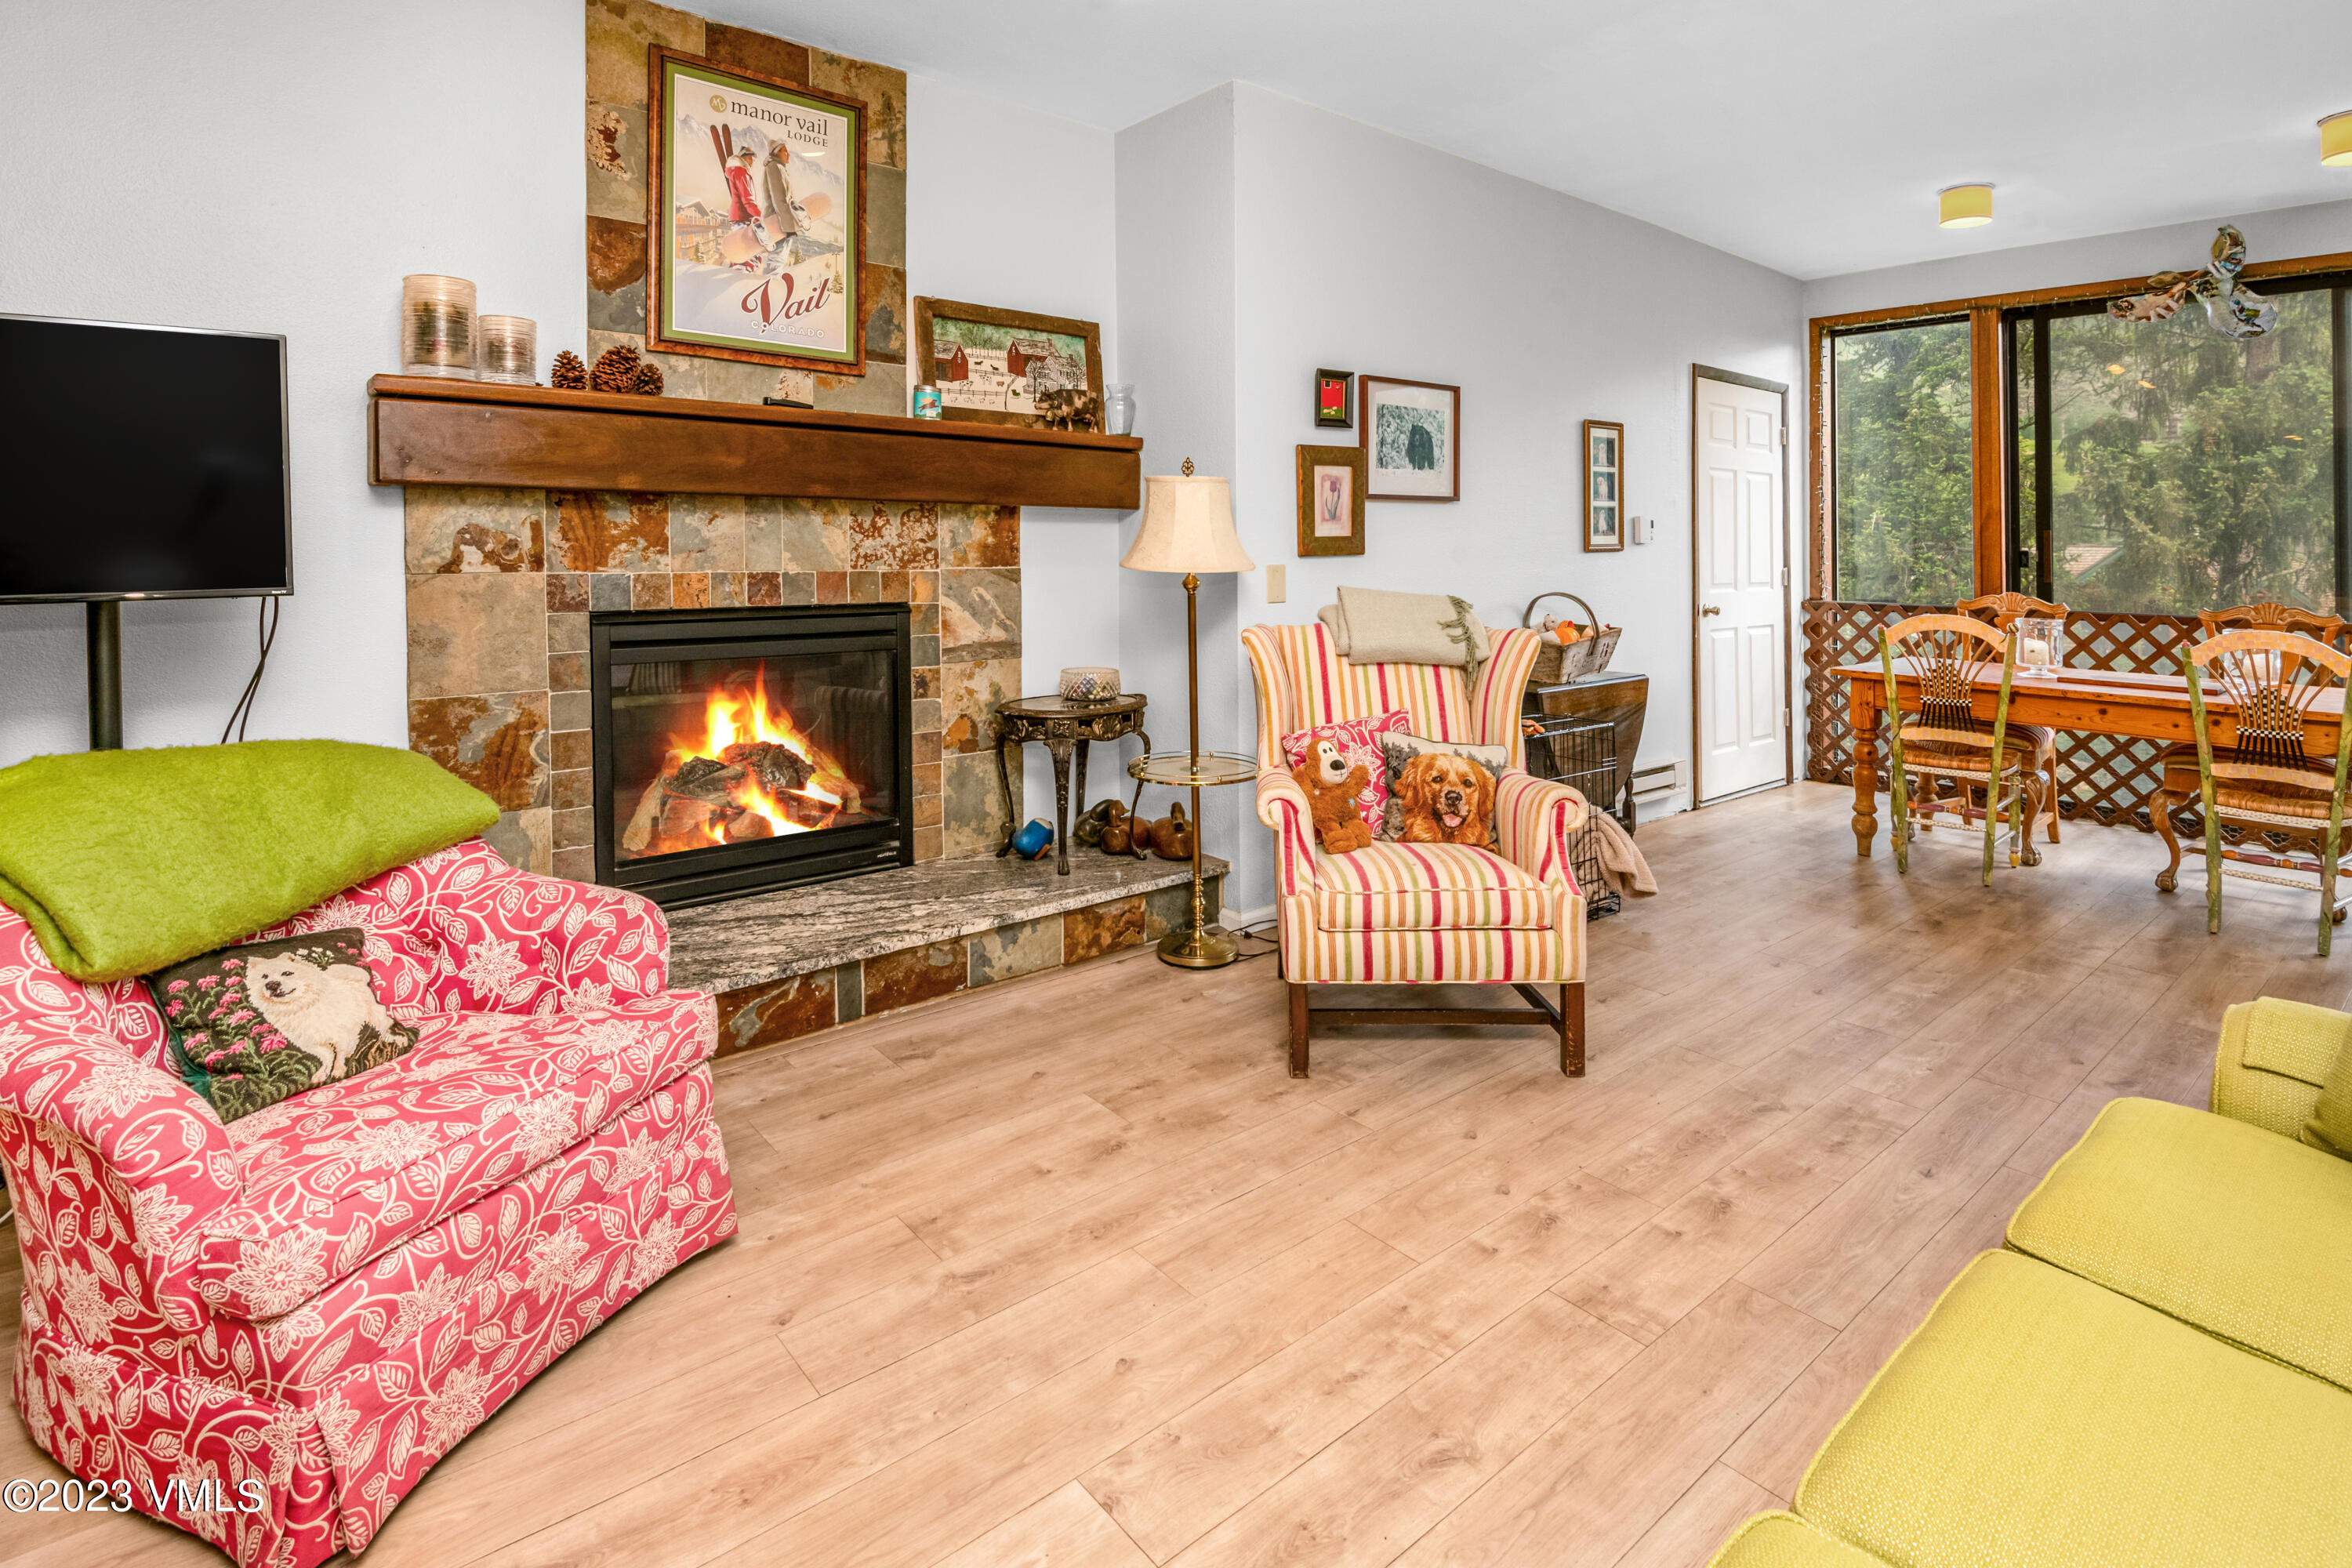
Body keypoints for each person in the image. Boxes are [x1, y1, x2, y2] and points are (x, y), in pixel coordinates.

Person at [760, 143, 801, 265]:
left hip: (781, 221)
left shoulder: (779, 167)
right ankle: (773, 278)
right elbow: (779, 198)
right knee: (777, 260)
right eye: (785, 151)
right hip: (778, 222)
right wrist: (789, 228)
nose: (788, 154)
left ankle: (774, 277)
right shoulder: (774, 167)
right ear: (776, 153)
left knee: (779, 259)